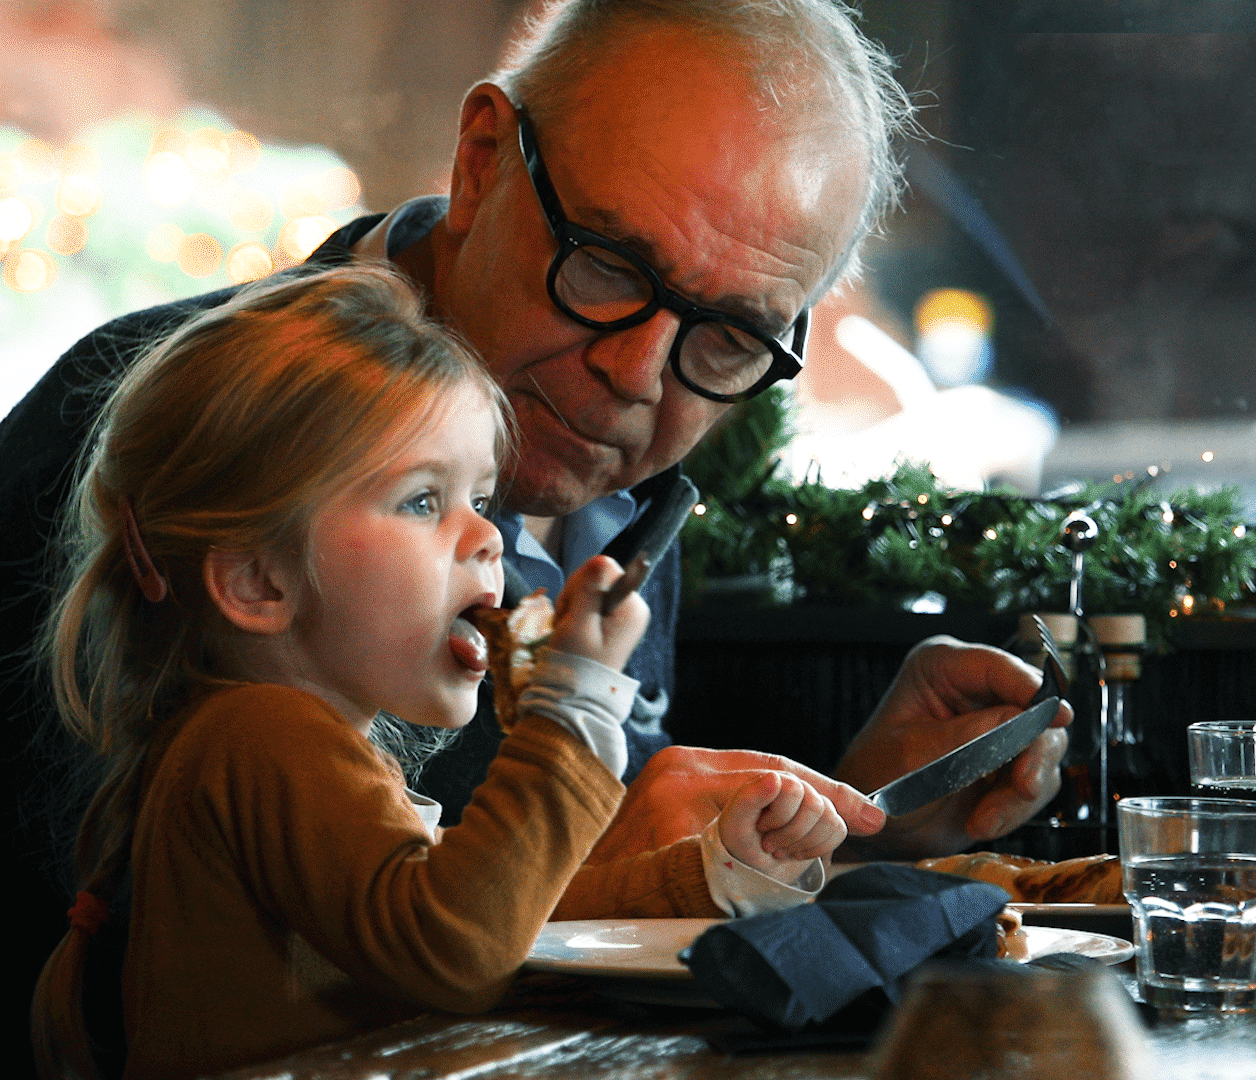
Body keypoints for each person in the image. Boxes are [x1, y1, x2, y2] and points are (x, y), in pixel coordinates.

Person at [0, 0, 1065, 883]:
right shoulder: (161, 426)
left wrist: (856, 818)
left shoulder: (624, 493)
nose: (638, 376)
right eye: (606, 266)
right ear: (478, 163)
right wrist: (597, 864)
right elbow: (99, 937)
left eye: (731, 336)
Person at [31, 265, 867, 1080]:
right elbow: (456, 948)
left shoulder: (304, 743)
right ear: (260, 581)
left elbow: (508, 917)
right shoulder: (261, 737)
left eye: (482, 497)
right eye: (424, 501)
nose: (489, 537)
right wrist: (572, 713)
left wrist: (709, 874)